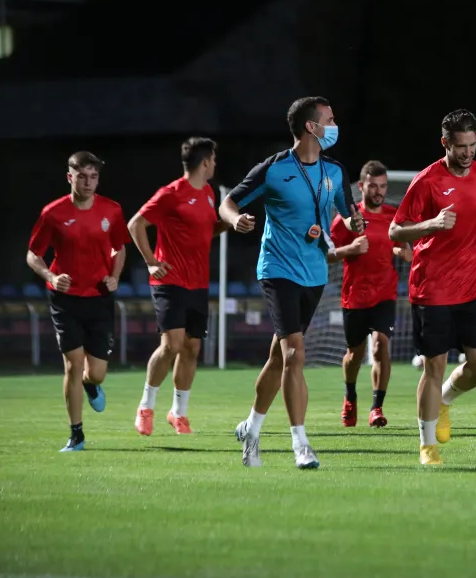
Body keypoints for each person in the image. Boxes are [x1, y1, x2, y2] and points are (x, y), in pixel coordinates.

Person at [221, 96, 363, 469]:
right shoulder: (273, 169)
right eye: (329, 120)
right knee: (295, 354)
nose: (335, 126)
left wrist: (355, 223)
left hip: (314, 272)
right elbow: (228, 202)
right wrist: (235, 220)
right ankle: (301, 444)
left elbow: (348, 213)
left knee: (278, 356)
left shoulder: (335, 171)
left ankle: (251, 428)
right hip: (277, 269)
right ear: (310, 127)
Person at [388, 109, 476, 466]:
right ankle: (427, 445)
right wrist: (431, 224)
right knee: (434, 365)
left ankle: (446, 399)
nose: (468, 153)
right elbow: (395, 230)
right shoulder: (427, 181)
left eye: (473, 145)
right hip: (432, 286)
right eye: (460, 146)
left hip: (472, 284)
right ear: (445, 143)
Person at [128, 138, 247, 436]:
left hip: (197, 282)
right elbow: (136, 224)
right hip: (169, 280)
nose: (215, 164)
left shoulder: (207, 193)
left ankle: (178, 413)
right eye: (214, 160)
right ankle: (145, 406)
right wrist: (151, 262)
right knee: (172, 344)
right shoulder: (171, 193)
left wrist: (232, 223)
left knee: (192, 348)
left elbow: (207, 230)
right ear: (205, 162)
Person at [26, 151, 130, 452]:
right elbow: (33, 254)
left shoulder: (111, 210)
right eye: (82, 176)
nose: (88, 182)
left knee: (95, 372)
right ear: (70, 177)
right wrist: (50, 276)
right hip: (65, 299)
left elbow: (119, 248)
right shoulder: (53, 213)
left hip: (99, 297)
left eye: (93, 176)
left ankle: (91, 384)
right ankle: (77, 434)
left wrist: (115, 275)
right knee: (73, 365)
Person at [328, 159, 412, 429]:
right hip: (355, 296)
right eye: (373, 186)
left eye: (383, 186)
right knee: (354, 353)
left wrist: (404, 252)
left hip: (385, 293)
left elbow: (402, 245)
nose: (379, 191)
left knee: (380, 346)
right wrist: (349, 249)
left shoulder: (393, 216)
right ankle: (350, 396)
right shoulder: (347, 220)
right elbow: (327, 254)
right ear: (361, 187)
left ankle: (377, 407)